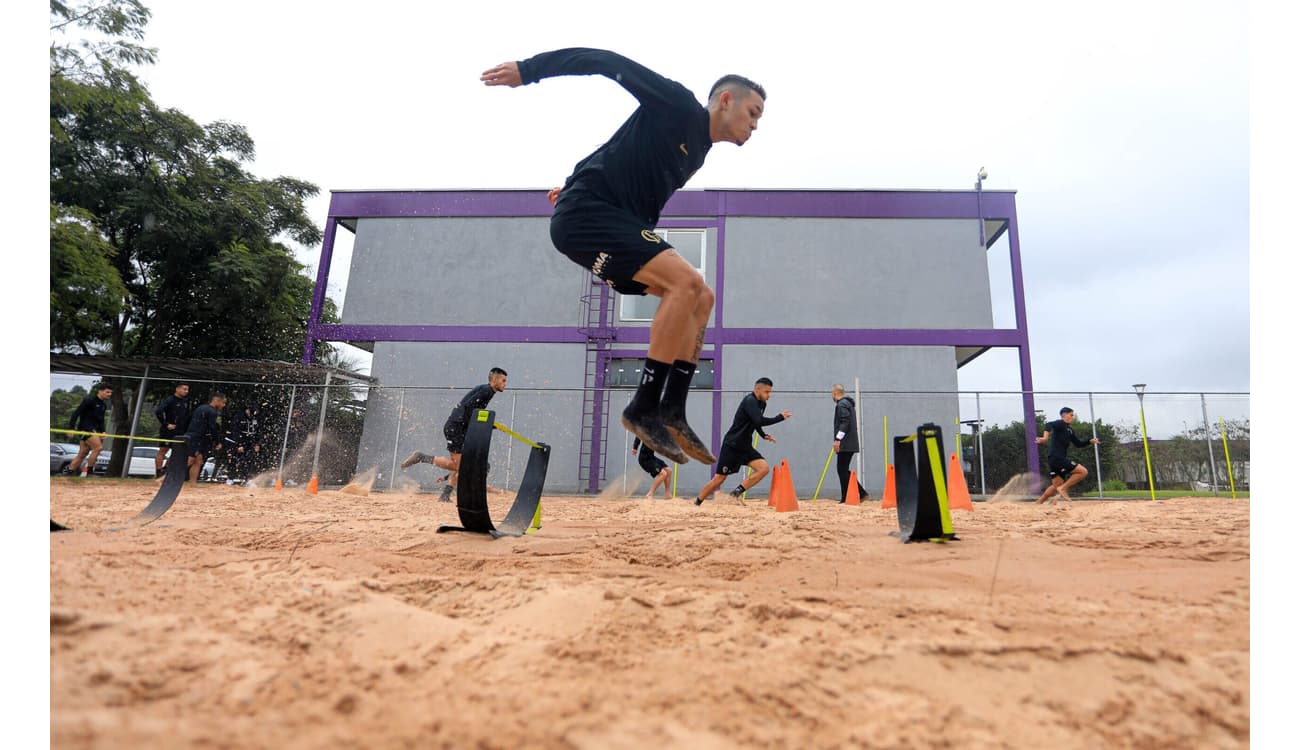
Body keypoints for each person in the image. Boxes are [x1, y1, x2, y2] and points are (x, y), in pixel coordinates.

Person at [482, 49, 766, 467]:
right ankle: (643, 407)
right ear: (726, 100)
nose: (756, 125)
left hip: (598, 219)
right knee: (685, 284)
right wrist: (530, 72)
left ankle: (672, 409)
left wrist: (574, 182)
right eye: (753, 112)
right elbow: (603, 61)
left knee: (701, 297)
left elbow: (620, 151)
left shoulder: (699, 150)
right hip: (588, 215)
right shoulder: (677, 103)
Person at [401, 368, 508, 502]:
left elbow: (474, 412)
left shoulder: (486, 390)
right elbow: (469, 408)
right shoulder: (487, 391)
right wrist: (486, 425)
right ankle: (422, 457)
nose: (505, 384)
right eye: (503, 380)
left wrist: (489, 425)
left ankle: (445, 495)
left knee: (463, 464)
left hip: (460, 428)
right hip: (456, 427)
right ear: (495, 380)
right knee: (460, 466)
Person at [693, 378, 791, 506]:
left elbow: (755, 422)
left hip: (745, 446)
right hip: (732, 445)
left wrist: (763, 435)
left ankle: (735, 494)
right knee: (719, 478)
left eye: (770, 392)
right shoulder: (749, 401)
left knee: (763, 468)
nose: (769, 395)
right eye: (767, 392)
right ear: (757, 389)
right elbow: (759, 420)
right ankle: (697, 502)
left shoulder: (762, 404)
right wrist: (780, 417)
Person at [1035, 407, 1100, 505]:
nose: (1073, 417)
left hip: (1054, 459)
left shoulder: (1069, 429)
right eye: (1071, 415)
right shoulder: (1061, 423)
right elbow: (1048, 424)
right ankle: (1063, 489)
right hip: (1057, 458)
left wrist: (1089, 441)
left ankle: (1038, 503)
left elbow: (1078, 444)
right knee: (1083, 472)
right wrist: (1045, 438)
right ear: (1064, 415)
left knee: (1056, 485)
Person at [830, 384, 870, 503]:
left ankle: (853, 495)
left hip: (845, 443)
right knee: (843, 469)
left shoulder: (841, 405)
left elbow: (845, 422)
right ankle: (857, 494)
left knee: (841, 470)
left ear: (834, 393)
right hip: (850, 443)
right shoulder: (848, 404)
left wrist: (838, 439)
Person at [65, 383, 113, 477]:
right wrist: (71, 428)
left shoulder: (103, 405)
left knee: (83, 453)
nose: (109, 394)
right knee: (98, 448)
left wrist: (103, 431)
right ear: (100, 391)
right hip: (85, 429)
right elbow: (76, 413)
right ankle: (90, 472)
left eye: (111, 392)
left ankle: (68, 472)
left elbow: (101, 420)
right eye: (107, 392)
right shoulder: (89, 401)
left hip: (94, 430)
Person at [183, 392, 227, 483]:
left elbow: (189, 420)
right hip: (197, 437)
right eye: (223, 403)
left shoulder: (201, 408)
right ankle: (164, 478)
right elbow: (212, 427)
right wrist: (217, 441)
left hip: (191, 435)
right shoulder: (212, 412)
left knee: (198, 461)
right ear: (217, 401)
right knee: (190, 460)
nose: (223, 405)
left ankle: (193, 483)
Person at [153, 382, 191, 477]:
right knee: (163, 450)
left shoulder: (185, 402)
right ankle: (158, 471)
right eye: (184, 389)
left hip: (179, 430)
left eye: (187, 389)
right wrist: (166, 424)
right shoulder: (170, 400)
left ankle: (165, 470)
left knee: (176, 452)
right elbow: (158, 412)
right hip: (168, 430)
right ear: (177, 389)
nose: (186, 391)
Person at [227, 404, 262, 485]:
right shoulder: (239, 417)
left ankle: (248, 479)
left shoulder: (255, 418)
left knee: (250, 460)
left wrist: (257, 443)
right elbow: (235, 431)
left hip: (250, 441)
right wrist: (239, 445)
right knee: (235, 459)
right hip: (240, 440)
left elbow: (258, 431)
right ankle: (230, 477)